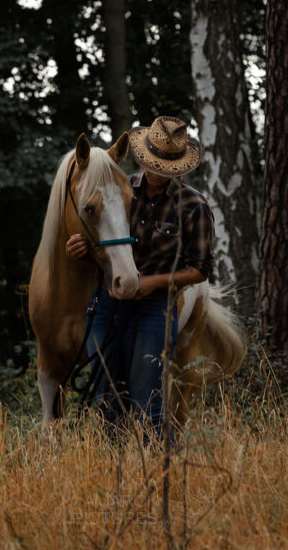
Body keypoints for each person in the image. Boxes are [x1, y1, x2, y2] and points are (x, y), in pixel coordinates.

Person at [65, 114, 214, 434]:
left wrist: (152, 283)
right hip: (109, 302)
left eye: (164, 166)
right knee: (105, 397)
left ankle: (158, 475)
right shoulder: (121, 187)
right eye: (152, 163)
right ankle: (111, 470)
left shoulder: (193, 206)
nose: (156, 172)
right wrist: (82, 246)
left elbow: (200, 270)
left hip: (154, 307)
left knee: (150, 399)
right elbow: (102, 236)